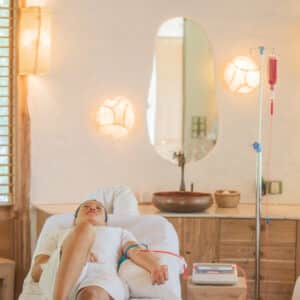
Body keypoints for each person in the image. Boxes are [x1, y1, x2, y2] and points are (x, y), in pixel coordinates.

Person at [31, 199, 169, 300]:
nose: (93, 208)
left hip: (101, 281)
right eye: (86, 206)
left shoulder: (119, 233)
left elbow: (135, 251)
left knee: (90, 296)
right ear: (75, 220)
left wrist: (154, 266)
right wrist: (73, 253)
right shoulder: (58, 234)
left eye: (98, 208)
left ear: (106, 221)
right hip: (59, 280)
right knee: (84, 230)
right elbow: (36, 272)